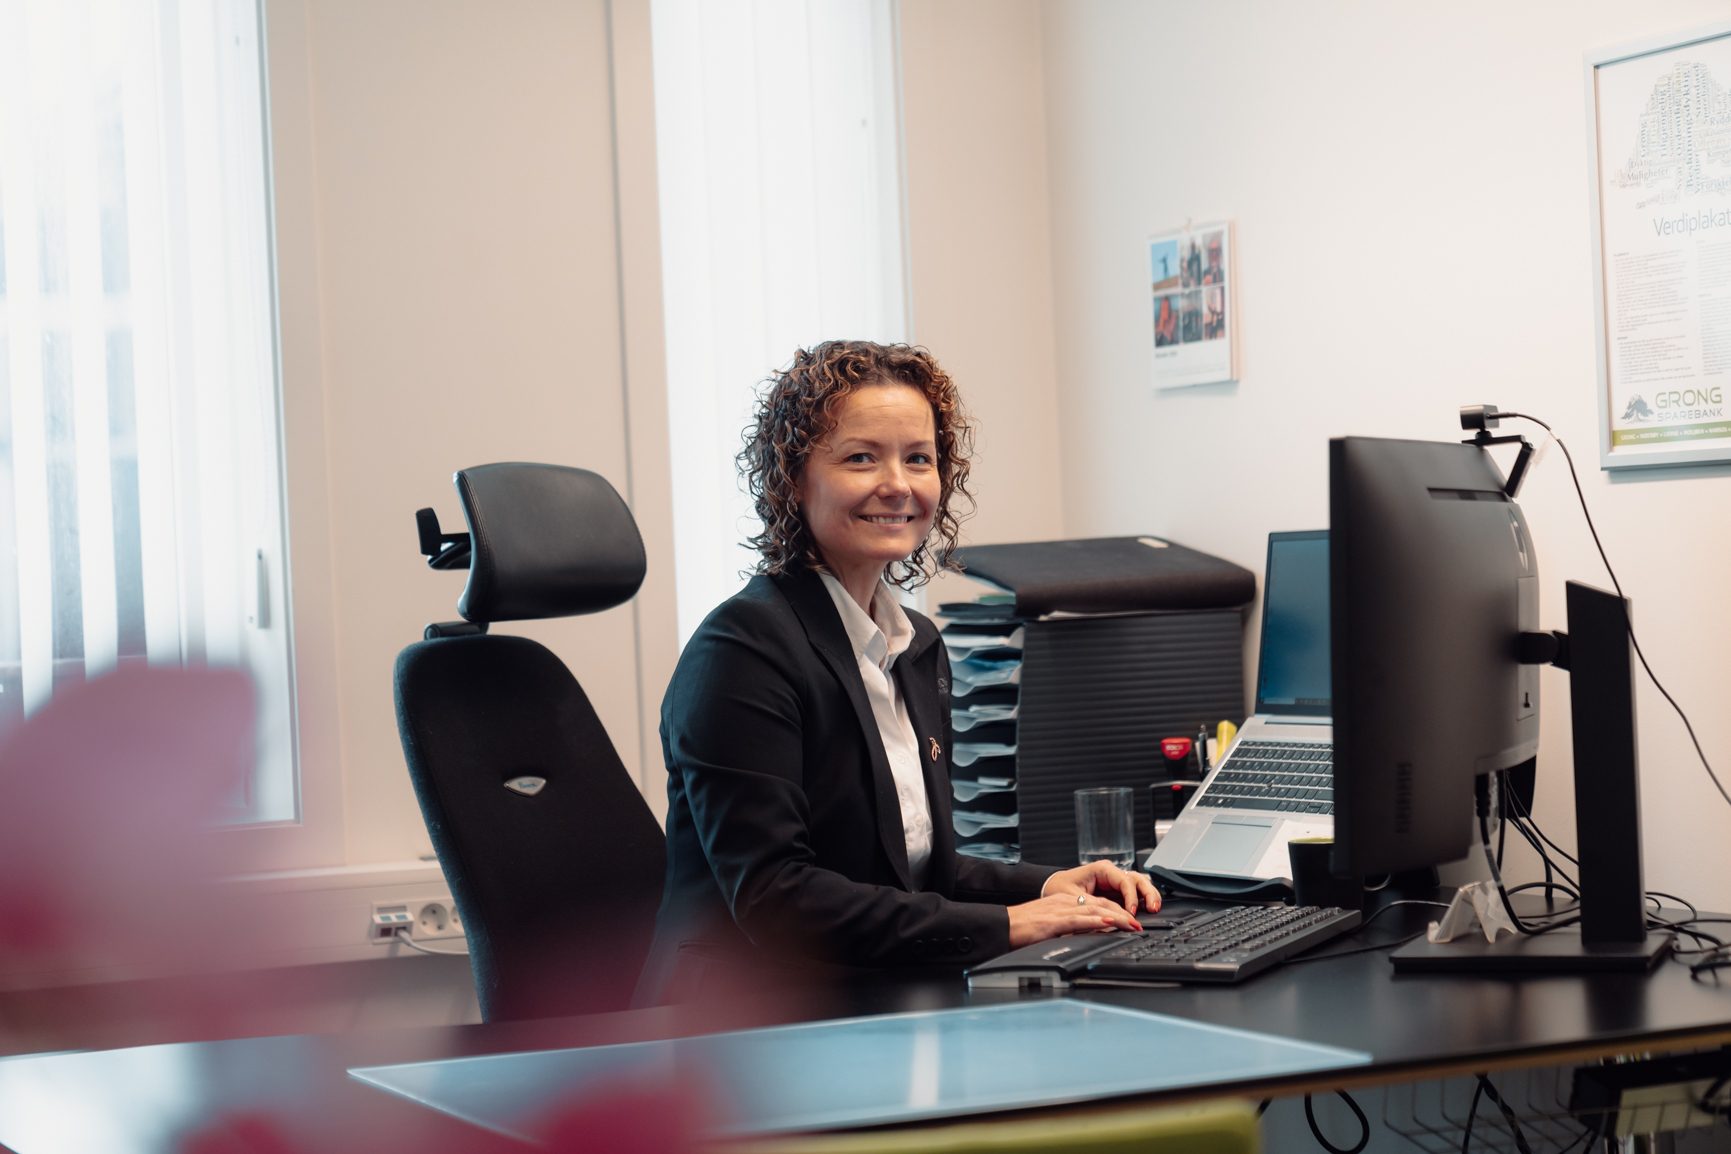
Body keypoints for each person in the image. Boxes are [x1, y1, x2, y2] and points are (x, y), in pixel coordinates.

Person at [636, 340, 1159, 1005]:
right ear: (793, 480)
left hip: (864, 992)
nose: (898, 484)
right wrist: (1006, 925)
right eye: (860, 458)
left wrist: (1047, 886)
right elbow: (775, 898)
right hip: (741, 1026)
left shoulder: (913, 645)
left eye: (918, 458)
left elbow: (918, 869)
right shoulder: (742, 650)